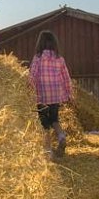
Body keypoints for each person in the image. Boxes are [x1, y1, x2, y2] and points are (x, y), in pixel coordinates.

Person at [28, 30, 72, 158]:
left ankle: (49, 151)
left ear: (40, 43)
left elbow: (32, 75)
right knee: (54, 119)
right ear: (54, 44)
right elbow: (66, 77)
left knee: (44, 123)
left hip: (41, 96)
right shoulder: (60, 59)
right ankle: (61, 136)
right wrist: (69, 93)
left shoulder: (38, 57)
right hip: (56, 95)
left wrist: (28, 88)